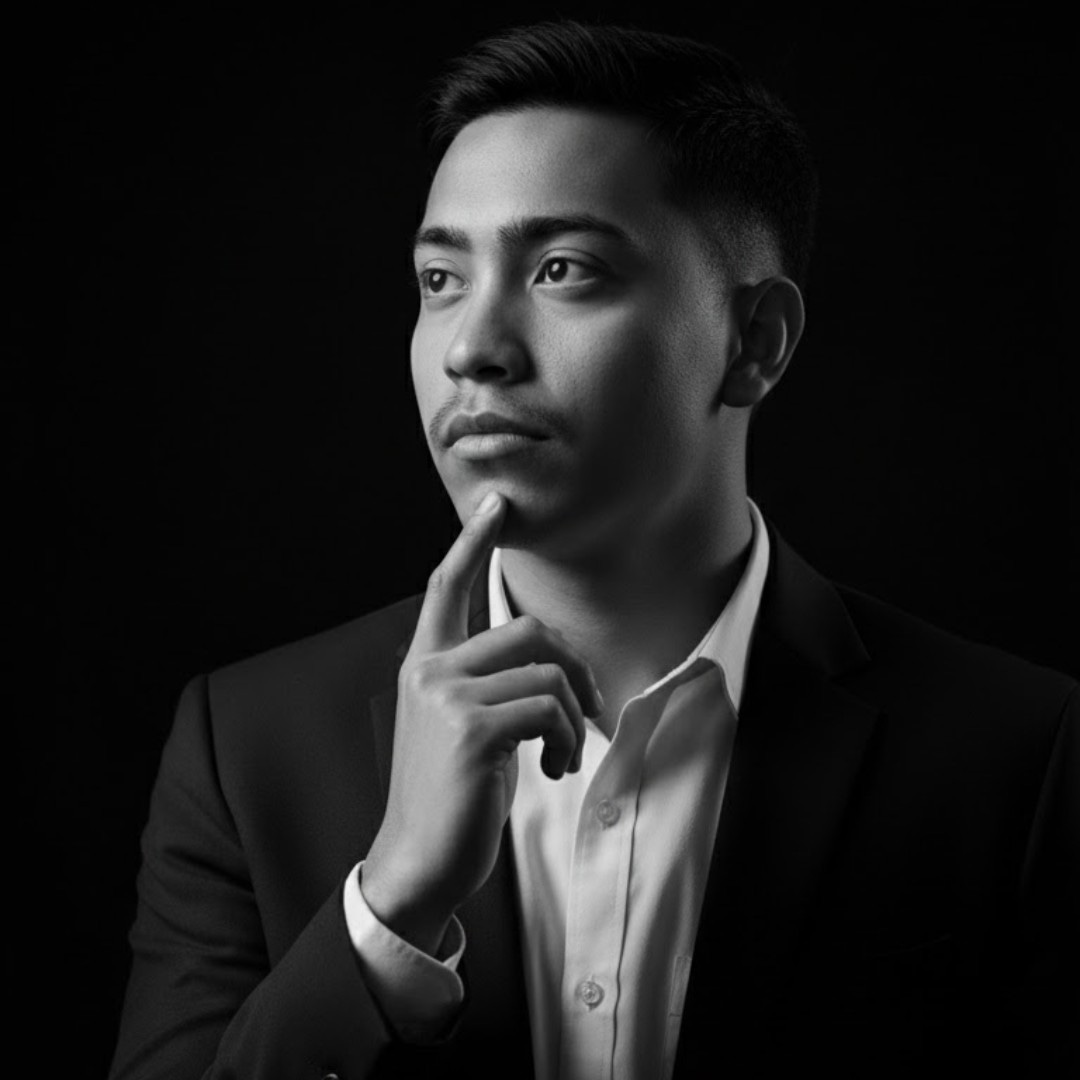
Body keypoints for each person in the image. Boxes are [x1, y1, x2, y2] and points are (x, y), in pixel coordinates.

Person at [108, 20, 1077, 1080]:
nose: (473, 349)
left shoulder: (1018, 756)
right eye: (440, 280)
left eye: (562, 269)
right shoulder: (247, 749)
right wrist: (389, 907)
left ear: (755, 341)